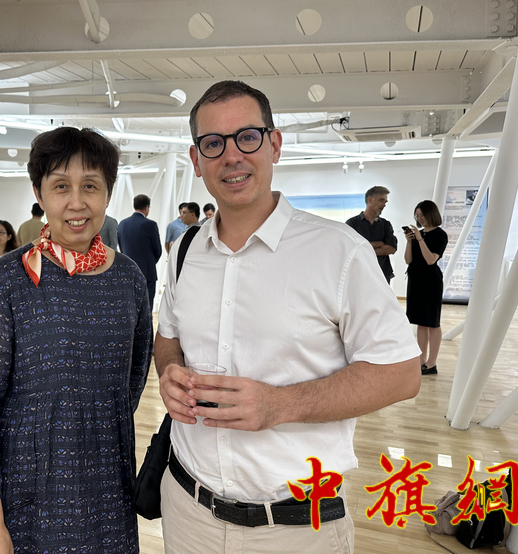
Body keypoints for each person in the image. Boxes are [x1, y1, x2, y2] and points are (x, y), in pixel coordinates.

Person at [155, 80, 421, 553]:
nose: (231, 156)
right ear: (196, 160)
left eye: (247, 137)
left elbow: (401, 373)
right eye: (213, 143)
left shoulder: (339, 252)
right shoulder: (184, 251)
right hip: (188, 510)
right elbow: (168, 337)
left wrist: (281, 405)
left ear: (274, 144)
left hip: (296, 527)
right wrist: (169, 371)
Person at [0, 126, 152, 554]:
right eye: (60, 187)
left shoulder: (128, 278)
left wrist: (81, 423)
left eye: (90, 185)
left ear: (108, 194)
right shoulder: (9, 279)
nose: (76, 202)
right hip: (19, 494)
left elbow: (130, 382)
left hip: (104, 493)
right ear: (39, 193)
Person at [404, 200, 449, 376]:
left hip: (430, 282)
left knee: (433, 322)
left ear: (431, 213)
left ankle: (432, 363)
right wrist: (409, 242)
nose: (420, 218)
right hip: (415, 280)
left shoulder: (440, 235)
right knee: (421, 322)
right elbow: (408, 260)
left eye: (422, 214)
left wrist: (420, 239)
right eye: (417, 215)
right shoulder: (418, 235)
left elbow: (431, 260)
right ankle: (422, 359)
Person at [345, 186, 398, 284]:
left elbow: (391, 248)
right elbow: (350, 249)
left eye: (385, 202)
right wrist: (379, 244)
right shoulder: (352, 223)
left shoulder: (386, 224)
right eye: (381, 200)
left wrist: (365, 248)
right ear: (369, 199)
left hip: (383, 274)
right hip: (359, 274)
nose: (384, 205)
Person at [118, 194, 162, 310]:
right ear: (146, 207)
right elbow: (158, 250)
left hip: (127, 272)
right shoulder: (150, 225)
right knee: (147, 306)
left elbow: (121, 247)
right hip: (147, 272)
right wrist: (150, 262)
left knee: (130, 305)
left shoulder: (122, 224)